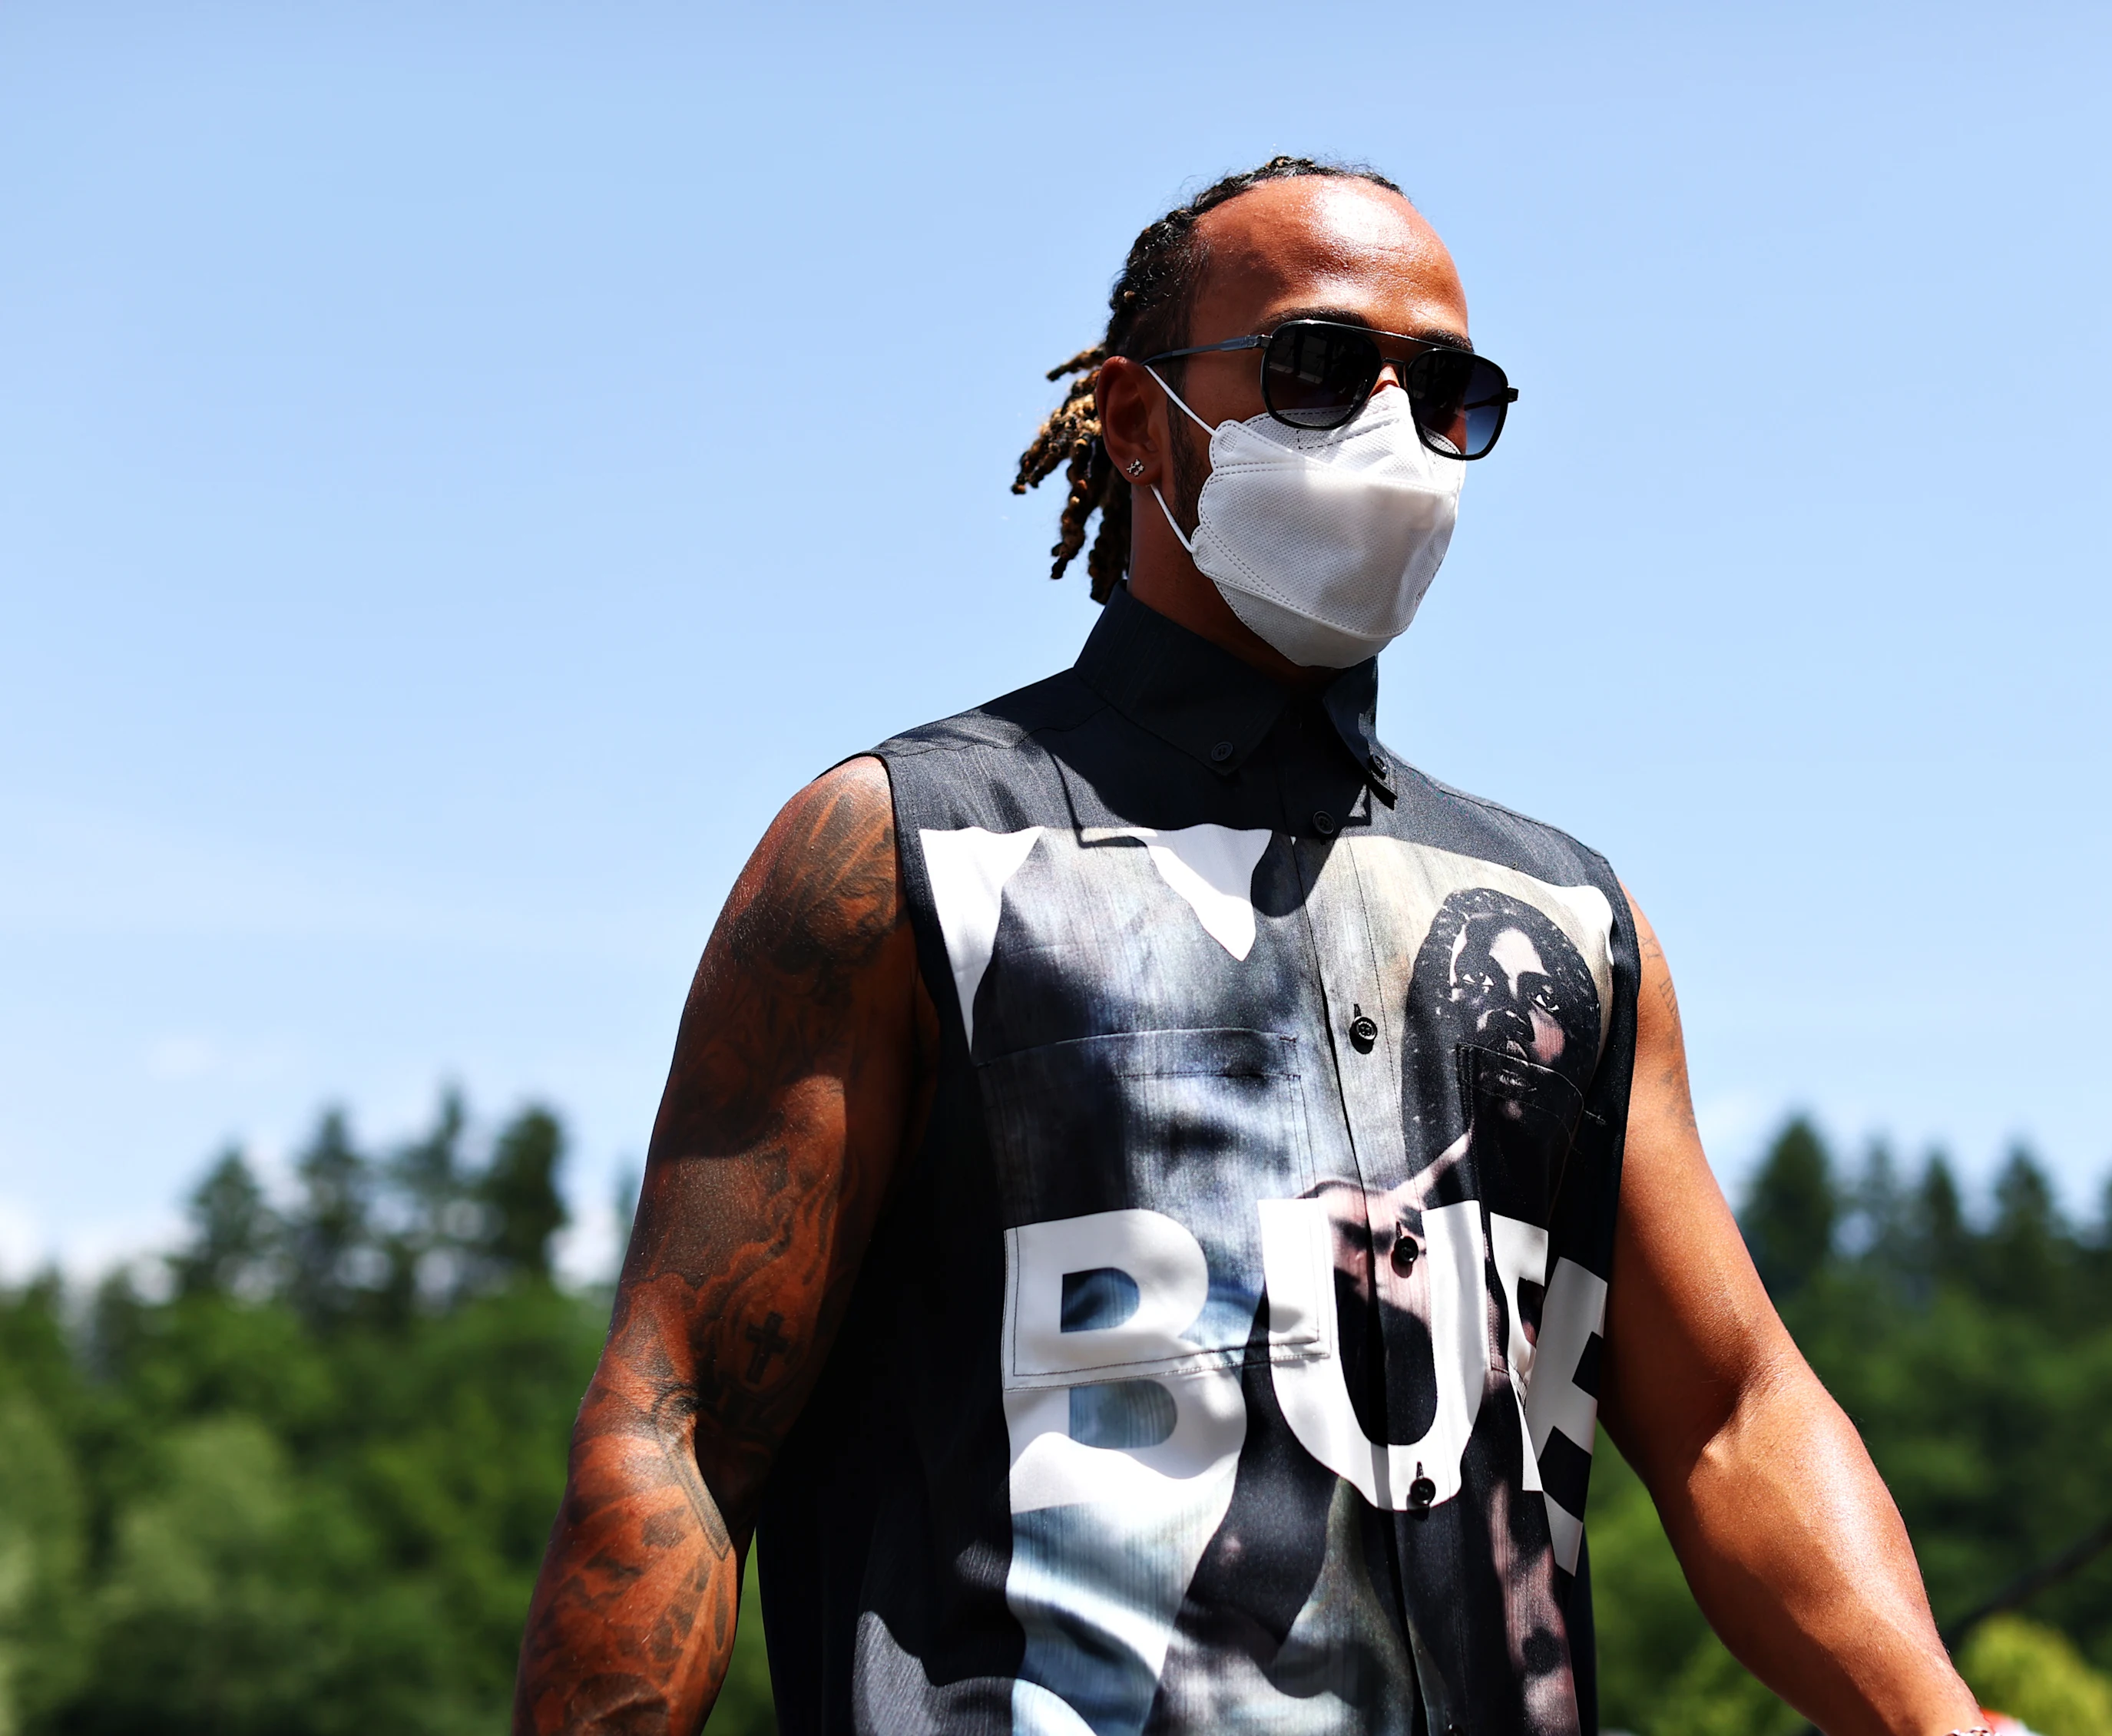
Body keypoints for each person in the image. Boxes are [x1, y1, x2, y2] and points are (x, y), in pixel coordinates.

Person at [511, 154, 1987, 1736]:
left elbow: (1728, 1417)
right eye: (1319, 364)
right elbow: (675, 1427)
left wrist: (1946, 1720)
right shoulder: (901, 850)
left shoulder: (1572, 924)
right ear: (1139, 420)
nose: (1393, 430)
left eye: (1451, 393)